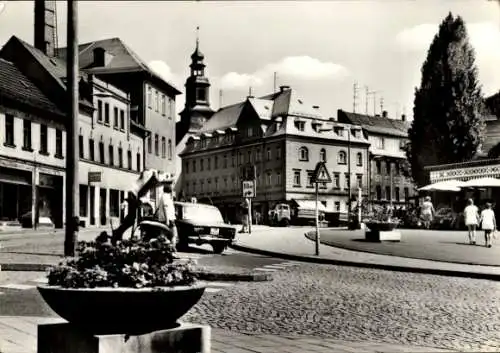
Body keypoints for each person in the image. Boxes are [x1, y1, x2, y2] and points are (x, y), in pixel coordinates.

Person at [157, 183, 179, 248]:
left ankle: (164, 250)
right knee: (174, 235)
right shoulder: (166, 197)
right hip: (169, 219)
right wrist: (167, 220)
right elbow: (165, 208)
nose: (173, 188)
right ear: (170, 189)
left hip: (164, 219)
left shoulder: (164, 196)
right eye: (172, 187)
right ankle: (172, 249)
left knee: (164, 236)